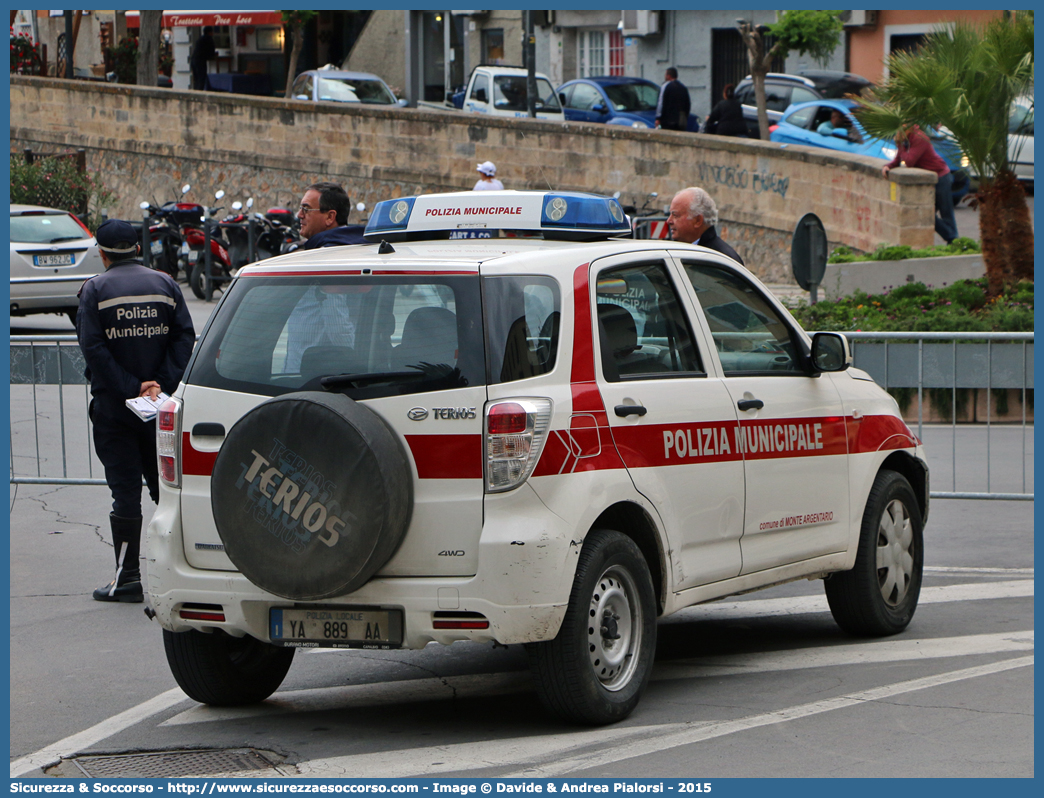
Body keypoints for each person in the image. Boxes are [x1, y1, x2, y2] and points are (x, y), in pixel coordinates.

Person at [75, 219, 195, 602]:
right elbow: (184, 337)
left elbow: (94, 349)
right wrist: (159, 384)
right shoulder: (166, 285)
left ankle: (127, 579)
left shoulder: (94, 290)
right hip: (159, 408)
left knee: (125, 494)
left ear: (102, 252)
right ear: (137, 248)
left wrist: (130, 388)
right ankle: (189, 570)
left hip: (115, 410)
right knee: (169, 491)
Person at [284, 182, 364, 372]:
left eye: (306, 209)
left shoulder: (330, 260)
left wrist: (352, 357)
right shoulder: (345, 251)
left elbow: (339, 331)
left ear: (330, 217)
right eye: (300, 208)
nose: (299, 215)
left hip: (313, 376)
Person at [881, 124, 958, 244]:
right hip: (928, 179)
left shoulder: (919, 137)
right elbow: (897, 160)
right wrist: (887, 166)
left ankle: (953, 239)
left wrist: (901, 145)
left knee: (945, 211)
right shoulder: (904, 140)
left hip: (941, 176)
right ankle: (952, 238)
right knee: (926, 214)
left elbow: (910, 161)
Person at [667, 187, 745, 265]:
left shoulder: (721, 259)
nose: (669, 221)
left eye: (675, 215)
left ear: (698, 221)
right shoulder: (676, 251)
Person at [655, 67, 691, 131]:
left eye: (665, 75)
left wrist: (658, 118)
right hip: (680, 121)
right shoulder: (683, 87)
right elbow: (687, 104)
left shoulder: (665, 86)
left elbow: (661, 103)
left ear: (668, 76)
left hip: (667, 121)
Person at [189, 26, 216, 91]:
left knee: (196, 79)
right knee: (201, 78)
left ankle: (195, 92)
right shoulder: (209, 39)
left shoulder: (200, 39)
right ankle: (199, 93)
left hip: (193, 60)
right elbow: (211, 51)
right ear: (210, 32)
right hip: (200, 61)